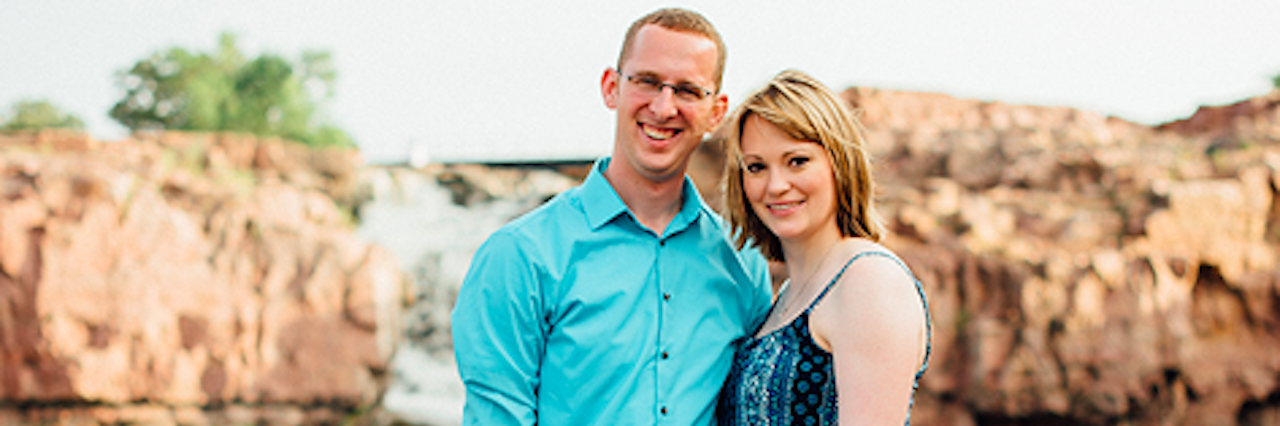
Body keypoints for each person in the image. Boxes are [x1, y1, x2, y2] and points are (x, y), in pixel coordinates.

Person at [451, 7, 773, 426]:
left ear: (716, 112)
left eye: (688, 91)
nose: (663, 106)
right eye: (647, 81)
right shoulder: (518, 257)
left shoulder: (743, 262)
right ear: (611, 87)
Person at [715, 70, 931, 426]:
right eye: (756, 167)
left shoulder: (867, 278)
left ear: (839, 163)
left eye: (797, 161)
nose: (776, 185)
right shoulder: (787, 294)